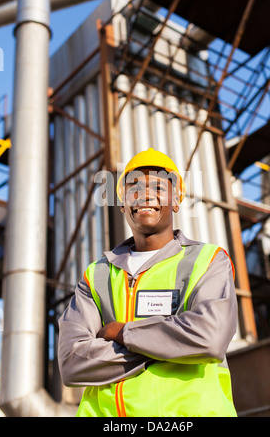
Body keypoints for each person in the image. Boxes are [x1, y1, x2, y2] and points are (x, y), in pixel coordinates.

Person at [58, 148, 238, 417]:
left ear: (176, 201)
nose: (144, 194)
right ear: (122, 204)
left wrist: (122, 333)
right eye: (133, 187)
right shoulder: (95, 275)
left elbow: (208, 339)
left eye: (157, 186)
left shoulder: (209, 260)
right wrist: (171, 343)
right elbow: (72, 363)